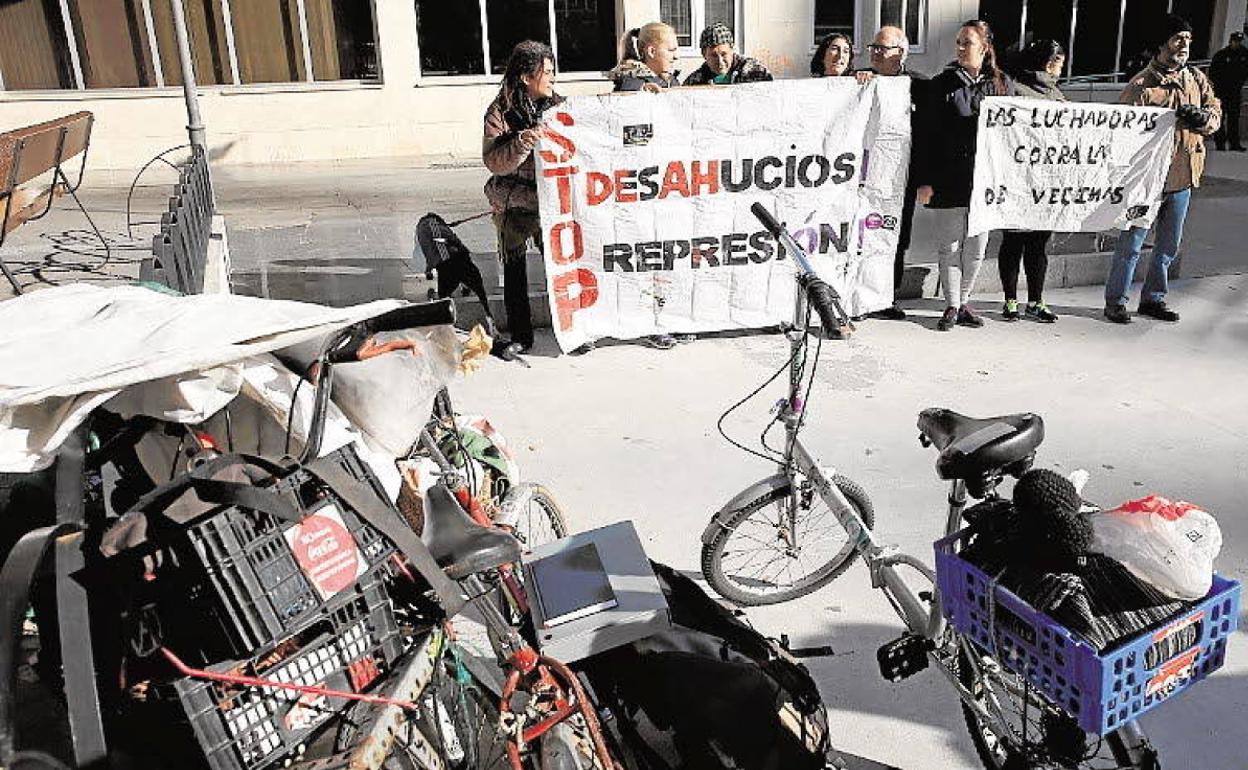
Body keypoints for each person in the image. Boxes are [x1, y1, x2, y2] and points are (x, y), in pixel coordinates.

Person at [1104, 15, 1221, 324]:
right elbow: (1121, 131)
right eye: (1177, 38)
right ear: (1162, 43)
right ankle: (1116, 300)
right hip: (1146, 183)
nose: (1184, 44)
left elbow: (1215, 115)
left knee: (1168, 245)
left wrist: (1200, 119)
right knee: (1132, 243)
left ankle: (1154, 299)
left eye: (1187, 38)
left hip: (1183, 177)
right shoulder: (1141, 85)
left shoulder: (1196, 79)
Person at [914, 19, 1015, 331]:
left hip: (984, 181)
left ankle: (965, 302)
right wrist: (924, 180)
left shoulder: (1002, 85)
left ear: (984, 48)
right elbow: (926, 135)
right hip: (947, 179)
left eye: (966, 43)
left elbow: (1013, 134)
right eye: (957, 42)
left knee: (977, 248)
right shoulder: (941, 84)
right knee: (951, 248)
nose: (959, 48)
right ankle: (952, 305)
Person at [482, 41, 561, 354]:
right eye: (548, 71)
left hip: (550, 203)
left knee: (559, 267)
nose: (554, 77)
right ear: (527, 77)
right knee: (514, 273)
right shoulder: (499, 112)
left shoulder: (560, 107)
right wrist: (522, 143)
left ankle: (569, 327)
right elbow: (494, 161)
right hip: (513, 203)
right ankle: (520, 335)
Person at [606, 23, 681, 349]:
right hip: (641, 192)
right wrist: (647, 109)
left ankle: (666, 318)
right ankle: (651, 323)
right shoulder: (631, 87)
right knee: (646, 262)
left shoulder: (669, 83)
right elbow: (627, 141)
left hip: (667, 188)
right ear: (651, 51)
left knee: (665, 260)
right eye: (672, 50)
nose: (677, 57)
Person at [998, 39, 1066, 323]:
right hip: (1018, 181)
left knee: (1037, 245)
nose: (1061, 69)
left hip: (1045, 183)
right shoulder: (1015, 90)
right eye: (1060, 63)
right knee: (1015, 243)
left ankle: (1035, 300)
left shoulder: (1058, 96)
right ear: (1050, 64)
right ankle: (1011, 299)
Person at [863, 25, 926, 321]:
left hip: (902, 179)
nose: (875, 53)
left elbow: (930, 136)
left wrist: (926, 179)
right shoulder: (861, 80)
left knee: (896, 237)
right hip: (862, 177)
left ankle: (886, 296)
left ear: (900, 53)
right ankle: (859, 296)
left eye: (882, 48)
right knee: (861, 235)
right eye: (873, 47)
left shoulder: (920, 87)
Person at [683, 23, 772, 86]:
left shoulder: (755, 72)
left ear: (732, 49)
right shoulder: (694, 82)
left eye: (724, 54)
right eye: (714, 56)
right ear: (704, 55)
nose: (720, 61)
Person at [1210, 31, 1248, 151]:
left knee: (1234, 117)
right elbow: (1213, 72)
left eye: (1239, 41)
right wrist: (1218, 83)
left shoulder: (1244, 54)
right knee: (1220, 116)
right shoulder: (1221, 55)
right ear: (1231, 41)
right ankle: (1220, 142)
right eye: (1235, 41)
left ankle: (1234, 143)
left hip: (1235, 90)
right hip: (1221, 90)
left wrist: (1241, 82)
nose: (1237, 44)